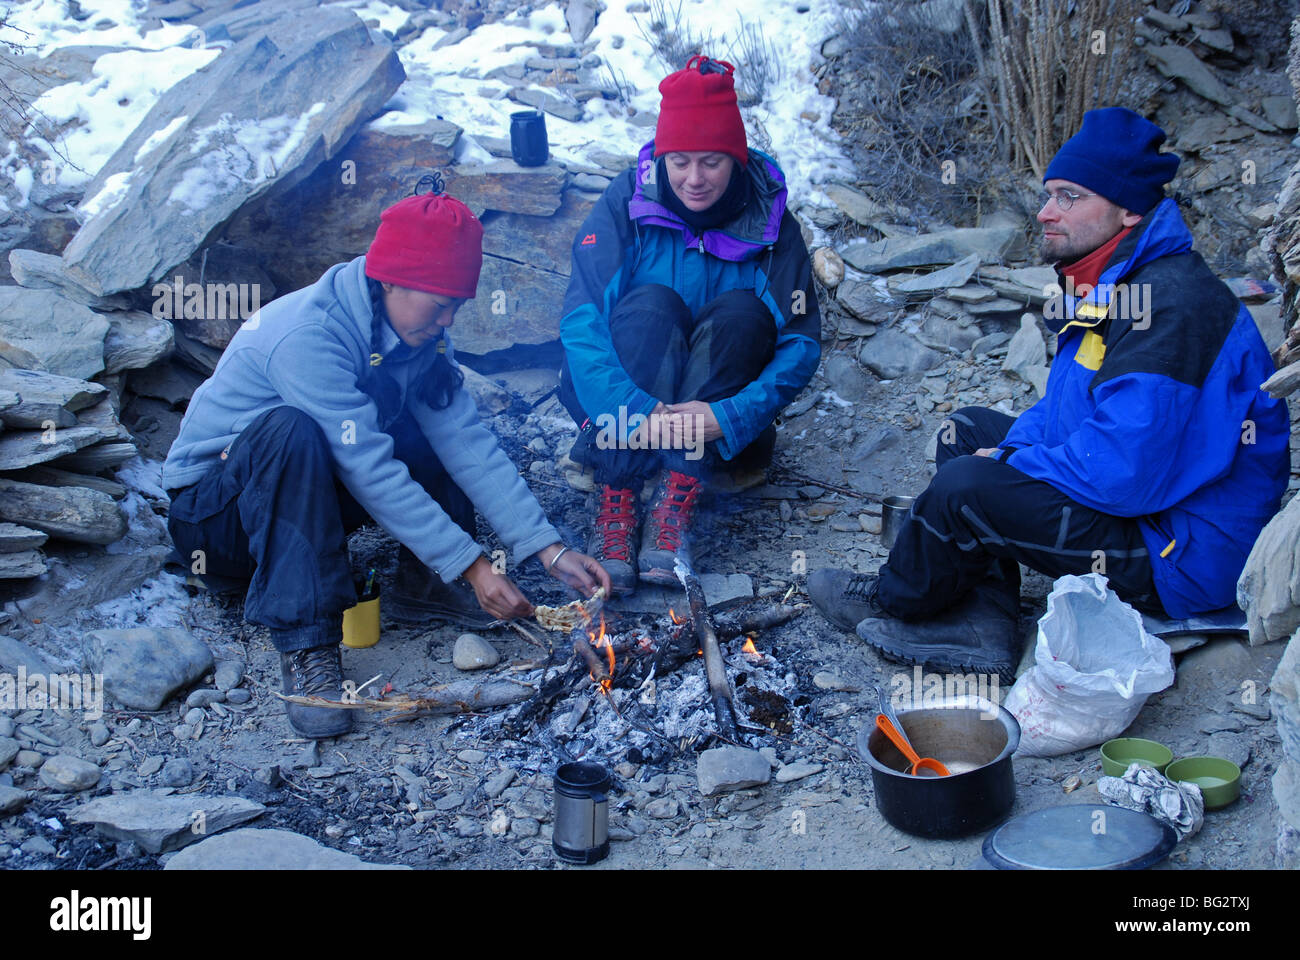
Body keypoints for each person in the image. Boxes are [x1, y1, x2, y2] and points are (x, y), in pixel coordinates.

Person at [809, 107, 1290, 682]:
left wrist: (1010, 462)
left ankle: (899, 602)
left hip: (1182, 553)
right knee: (966, 433)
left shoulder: (1169, 305)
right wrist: (1010, 450)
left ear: (1128, 209)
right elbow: (1067, 412)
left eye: (1068, 197)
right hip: (1152, 505)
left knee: (965, 486)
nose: (1045, 212)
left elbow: (1123, 473)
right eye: (1048, 195)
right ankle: (980, 622)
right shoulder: (1119, 282)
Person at [162, 186, 610, 739]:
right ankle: (307, 647)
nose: (447, 321)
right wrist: (472, 564)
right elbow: (368, 468)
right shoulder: (310, 334)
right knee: (291, 430)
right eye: (438, 302)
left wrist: (548, 547)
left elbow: (465, 442)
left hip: (295, 497)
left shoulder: (411, 330)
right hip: (217, 523)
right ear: (389, 279)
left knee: (416, 418)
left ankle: (426, 585)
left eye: (456, 306)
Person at [557, 55, 821, 593]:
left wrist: (727, 415)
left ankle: (676, 498)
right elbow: (582, 319)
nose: (693, 179)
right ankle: (619, 495)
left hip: (714, 425)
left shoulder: (771, 218)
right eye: (679, 161)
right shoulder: (626, 201)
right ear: (661, 156)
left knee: (744, 314)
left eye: (711, 162)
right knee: (649, 304)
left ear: (737, 159)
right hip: (625, 416)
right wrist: (637, 414)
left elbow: (800, 341)